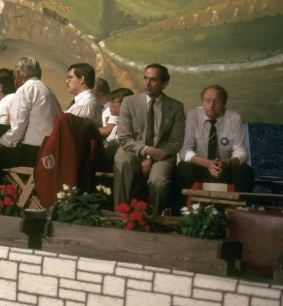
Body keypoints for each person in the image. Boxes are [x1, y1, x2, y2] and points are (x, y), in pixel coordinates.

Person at [0, 57, 62, 188]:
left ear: (17, 73)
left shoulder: (25, 90)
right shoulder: (49, 91)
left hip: (32, 153)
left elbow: (16, 132)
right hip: (49, 152)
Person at [114, 64, 185, 216]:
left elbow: (176, 141)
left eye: (153, 80)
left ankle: (157, 220)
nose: (147, 83)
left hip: (162, 154)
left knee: (158, 182)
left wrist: (152, 157)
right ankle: (119, 215)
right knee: (122, 161)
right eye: (145, 78)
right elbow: (124, 138)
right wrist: (149, 152)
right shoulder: (128, 102)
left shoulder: (176, 107)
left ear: (164, 83)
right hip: (132, 151)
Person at [177, 85, 255, 193]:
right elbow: (185, 150)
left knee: (245, 171)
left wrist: (226, 163)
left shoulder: (234, 118)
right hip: (200, 165)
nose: (211, 105)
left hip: (225, 166)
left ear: (224, 103)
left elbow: (242, 153)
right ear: (202, 102)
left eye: (217, 102)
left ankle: (241, 204)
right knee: (183, 168)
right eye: (207, 101)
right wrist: (207, 163)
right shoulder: (192, 116)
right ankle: (179, 204)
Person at [103, 88, 134, 169]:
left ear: (125, 104)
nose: (110, 105)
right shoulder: (118, 123)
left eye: (113, 102)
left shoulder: (132, 123)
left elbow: (117, 144)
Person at [65, 63, 101, 128]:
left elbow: (68, 128)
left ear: (81, 79)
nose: (67, 81)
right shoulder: (86, 101)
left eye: (70, 77)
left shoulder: (84, 105)